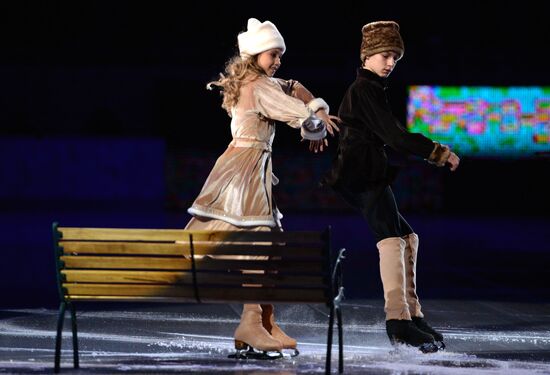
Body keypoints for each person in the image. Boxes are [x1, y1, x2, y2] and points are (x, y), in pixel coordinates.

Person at [184, 17, 340, 356]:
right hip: (247, 170)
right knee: (260, 244)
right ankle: (252, 321)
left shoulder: (252, 83)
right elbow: (296, 112)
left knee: (269, 243)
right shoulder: (261, 88)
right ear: (255, 55)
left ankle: (264, 319)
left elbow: (293, 87)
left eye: (280, 55)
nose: (279, 60)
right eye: (273, 54)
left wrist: (313, 108)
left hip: (241, 166)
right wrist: (317, 122)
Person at [322, 20, 459, 351]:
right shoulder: (363, 90)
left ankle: (411, 315)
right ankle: (397, 321)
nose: (389, 63)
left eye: (395, 58)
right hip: (361, 175)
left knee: (407, 236)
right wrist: (438, 152)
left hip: (369, 173)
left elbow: (389, 135)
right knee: (391, 238)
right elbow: (395, 137)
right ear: (367, 56)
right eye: (384, 55)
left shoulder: (371, 90)